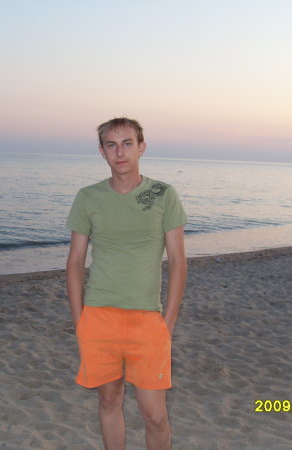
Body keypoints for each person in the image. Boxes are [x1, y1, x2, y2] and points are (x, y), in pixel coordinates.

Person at [66, 117, 187, 449]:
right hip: (99, 316)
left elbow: (178, 261)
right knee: (109, 400)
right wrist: (79, 320)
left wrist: (168, 321)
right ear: (102, 151)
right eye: (111, 145)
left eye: (127, 143)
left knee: (155, 415)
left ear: (141, 148)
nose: (120, 152)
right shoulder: (88, 197)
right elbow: (75, 262)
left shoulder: (163, 194)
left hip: (147, 319)